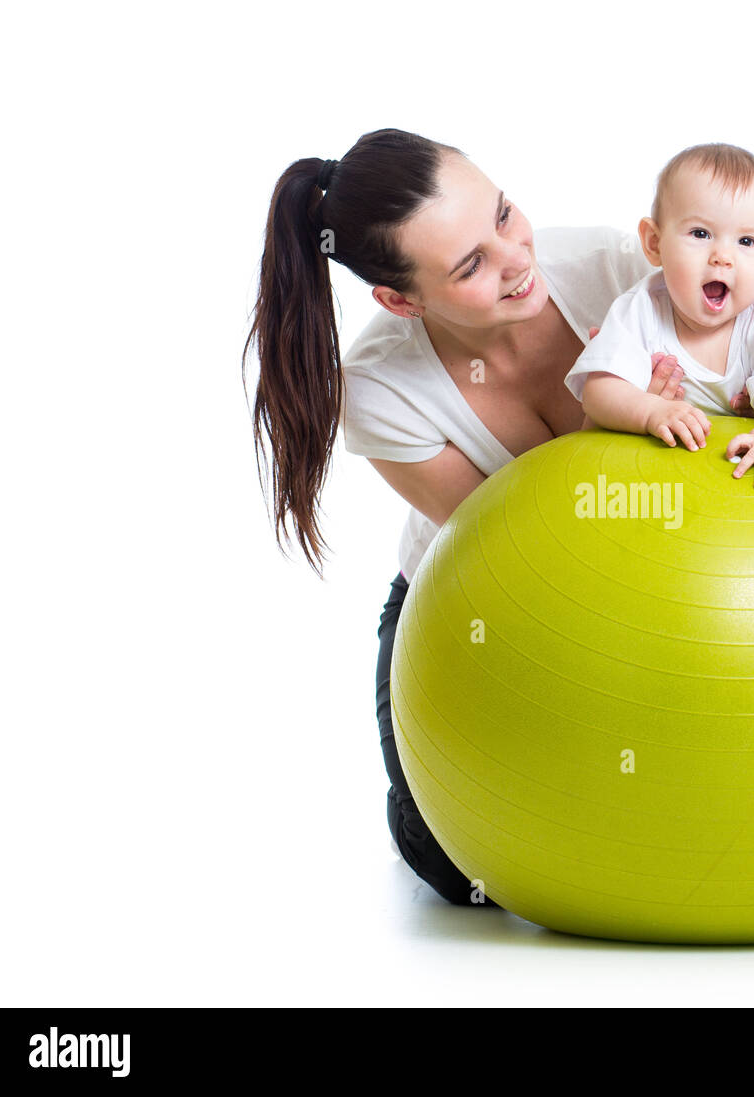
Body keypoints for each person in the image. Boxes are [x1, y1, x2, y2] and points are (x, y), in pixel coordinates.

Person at [243, 128, 693, 906]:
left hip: (661, 584)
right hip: (484, 605)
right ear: (399, 299)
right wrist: (623, 429)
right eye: (469, 265)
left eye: (505, 215)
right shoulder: (382, 388)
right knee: (459, 869)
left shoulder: (621, 272)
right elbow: (526, 550)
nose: (517, 258)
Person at [566, 143, 754, 489]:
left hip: (746, 484)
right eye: (700, 234)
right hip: (655, 483)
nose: (722, 256)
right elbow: (599, 393)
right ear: (654, 243)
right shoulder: (641, 308)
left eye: (747, 241)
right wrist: (649, 411)